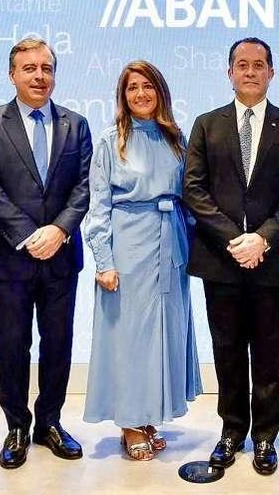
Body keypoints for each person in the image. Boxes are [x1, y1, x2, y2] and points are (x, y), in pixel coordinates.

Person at [183, 37, 279, 475]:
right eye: (242, 64)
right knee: (228, 351)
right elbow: (194, 191)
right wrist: (235, 239)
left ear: (272, 72)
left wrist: (263, 239)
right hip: (221, 260)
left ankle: (265, 437)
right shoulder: (206, 124)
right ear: (229, 71)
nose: (251, 71)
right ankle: (231, 431)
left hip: (272, 261)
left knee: (270, 354)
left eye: (259, 65)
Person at [0, 37, 91, 469]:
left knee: (58, 343)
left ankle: (51, 423)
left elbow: (84, 186)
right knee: (13, 344)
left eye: (46, 68)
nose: (39, 76)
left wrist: (58, 231)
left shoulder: (76, 124)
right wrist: (28, 234)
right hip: (9, 255)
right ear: (12, 74)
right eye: (29, 68)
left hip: (61, 254)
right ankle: (17, 426)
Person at [82, 60, 202, 461]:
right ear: (123, 95)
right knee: (130, 338)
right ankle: (130, 421)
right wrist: (104, 260)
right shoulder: (109, 140)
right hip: (128, 246)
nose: (140, 94)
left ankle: (150, 415)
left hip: (171, 248)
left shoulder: (176, 139)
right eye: (132, 87)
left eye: (147, 86)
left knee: (164, 333)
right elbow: (97, 208)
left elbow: (190, 200)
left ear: (160, 91)